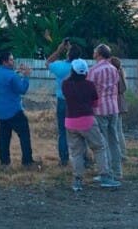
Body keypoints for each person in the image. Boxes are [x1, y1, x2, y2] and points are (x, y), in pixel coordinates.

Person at [62, 58, 119, 191]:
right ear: (85, 72)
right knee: (99, 147)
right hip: (87, 121)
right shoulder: (89, 85)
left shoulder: (65, 84)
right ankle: (104, 176)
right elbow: (95, 103)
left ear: (72, 71)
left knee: (76, 152)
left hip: (70, 121)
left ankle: (77, 180)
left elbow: (66, 93)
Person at [0, 49, 35, 167]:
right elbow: (22, 90)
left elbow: (7, 80)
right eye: (11, 59)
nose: (13, 61)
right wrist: (26, 76)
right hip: (14, 111)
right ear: (5, 62)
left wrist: (17, 73)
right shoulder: (12, 76)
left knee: (4, 139)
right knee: (24, 135)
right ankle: (27, 161)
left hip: (0, 112)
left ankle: (4, 163)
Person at [88, 43, 123, 184]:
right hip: (113, 108)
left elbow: (89, 89)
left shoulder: (94, 70)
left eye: (95, 51)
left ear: (99, 54)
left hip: (99, 109)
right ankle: (117, 171)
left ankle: (106, 172)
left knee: (103, 142)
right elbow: (117, 84)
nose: (93, 53)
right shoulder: (114, 69)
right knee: (114, 140)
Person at [45, 38, 78, 166]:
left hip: (63, 101)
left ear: (67, 54)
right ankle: (83, 158)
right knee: (80, 130)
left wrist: (59, 50)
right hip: (78, 102)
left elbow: (47, 62)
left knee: (63, 132)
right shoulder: (81, 66)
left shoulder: (60, 67)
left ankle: (64, 160)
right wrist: (71, 50)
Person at [109, 56, 128, 160]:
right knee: (118, 129)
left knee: (117, 130)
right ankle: (122, 153)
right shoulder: (120, 73)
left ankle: (121, 154)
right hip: (119, 103)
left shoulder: (115, 74)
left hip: (116, 103)